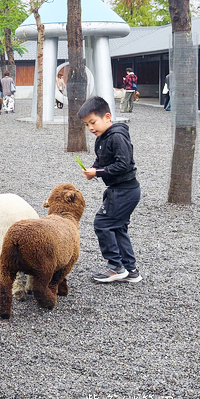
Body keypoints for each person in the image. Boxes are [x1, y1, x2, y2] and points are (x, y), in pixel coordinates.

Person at [78, 96, 142, 284]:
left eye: (93, 122)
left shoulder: (117, 136)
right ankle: (130, 270)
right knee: (117, 227)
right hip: (120, 190)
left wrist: (97, 172)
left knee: (103, 223)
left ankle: (115, 266)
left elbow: (123, 164)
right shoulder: (102, 137)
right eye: (86, 125)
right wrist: (93, 170)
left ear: (107, 117)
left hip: (125, 191)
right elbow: (102, 160)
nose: (90, 128)